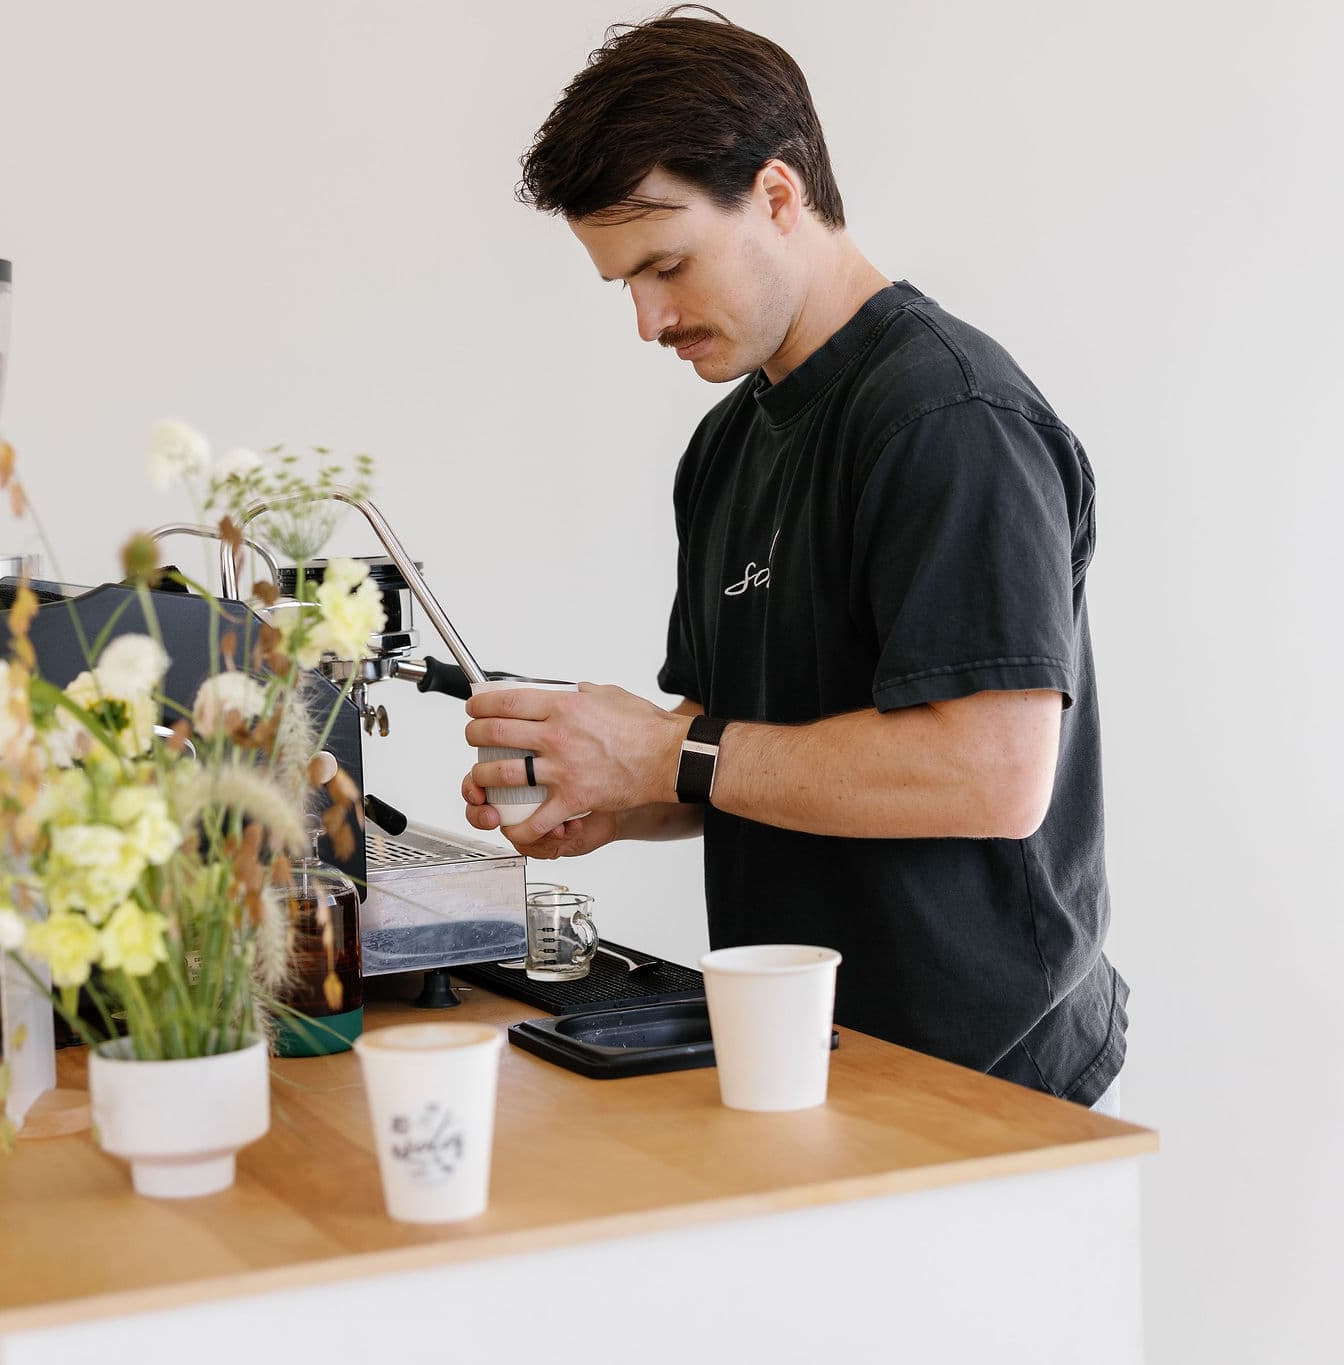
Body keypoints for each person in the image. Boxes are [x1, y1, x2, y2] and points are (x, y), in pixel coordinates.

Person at [460, 7, 1126, 1112]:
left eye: (665, 266)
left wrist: (665, 756)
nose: (646, 320)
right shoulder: (724, 446)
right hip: (805, 1058)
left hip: (985, 1081)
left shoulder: (946, 416)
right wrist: (614, 792)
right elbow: (754, 755)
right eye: (622, 282)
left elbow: (991, 776)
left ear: (776, 195)